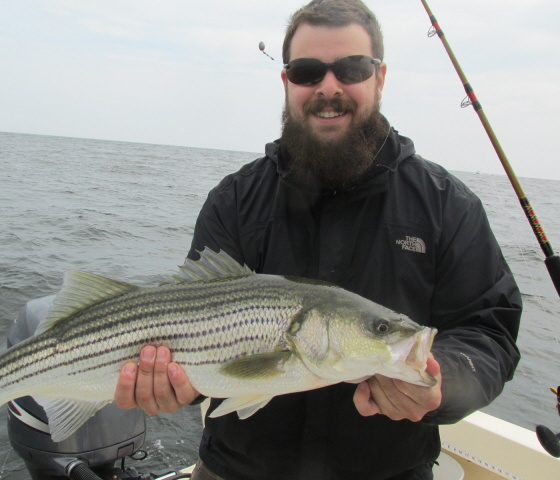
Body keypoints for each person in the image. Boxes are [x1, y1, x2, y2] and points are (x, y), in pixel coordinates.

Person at [113, 1, 522, 478]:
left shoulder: (446, 204)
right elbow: (199, 333)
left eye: (351, 69)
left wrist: (441, 383)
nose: (329, 88)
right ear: (287, 84)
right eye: (308, 72)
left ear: (380, 78)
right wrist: (174, 384)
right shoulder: (234, 201)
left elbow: (489, 328)